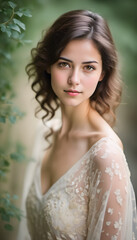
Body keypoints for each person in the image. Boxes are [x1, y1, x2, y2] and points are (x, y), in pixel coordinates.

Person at [24, 9, 137, 239]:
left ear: (103, 73)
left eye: (88, 67)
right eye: (64, 64)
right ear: (48, 65)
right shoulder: (45, 133)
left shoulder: (105, 155)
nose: (74, 79)